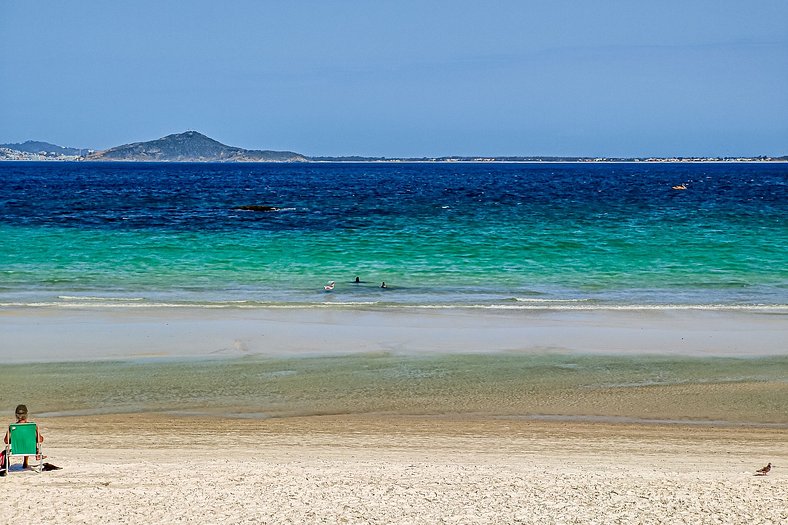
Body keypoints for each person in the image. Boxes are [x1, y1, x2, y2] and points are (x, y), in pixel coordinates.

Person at [1, 404, 44, 474]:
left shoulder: (12, 427)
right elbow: (40, 440)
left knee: (22, 441)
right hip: (30, 449)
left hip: (17, 449)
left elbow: (6, 441)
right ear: (26, 414)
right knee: (27, 441)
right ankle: (28, 460)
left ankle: (25, 462)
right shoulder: (33, 426)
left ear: (16, 415)